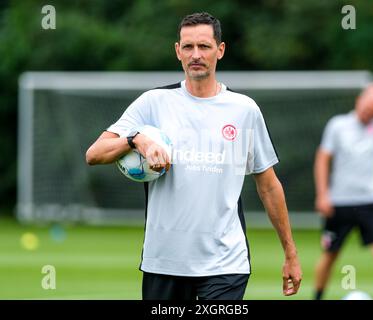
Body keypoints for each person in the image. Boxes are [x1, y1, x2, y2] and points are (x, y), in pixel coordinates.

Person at [86, 12, 302, 300]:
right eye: (188, 47)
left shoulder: (244, 110)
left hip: (226, 263)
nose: (196, 55)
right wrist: (136, 140)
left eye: (204, 46)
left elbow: (269, 185)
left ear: (220, 50)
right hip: (163, 261)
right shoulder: (155, 103)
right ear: (178, 51)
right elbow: (94, 154)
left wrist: (290, 253)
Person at [313, 83, 373, 300]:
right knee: (330, 254)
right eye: (366, 107)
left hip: (370, 201)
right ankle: (317, 296)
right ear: (358, 101)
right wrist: (323, 194)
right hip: (340, 202)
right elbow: (323, 159)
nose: (368, 112)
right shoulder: (338, 125)